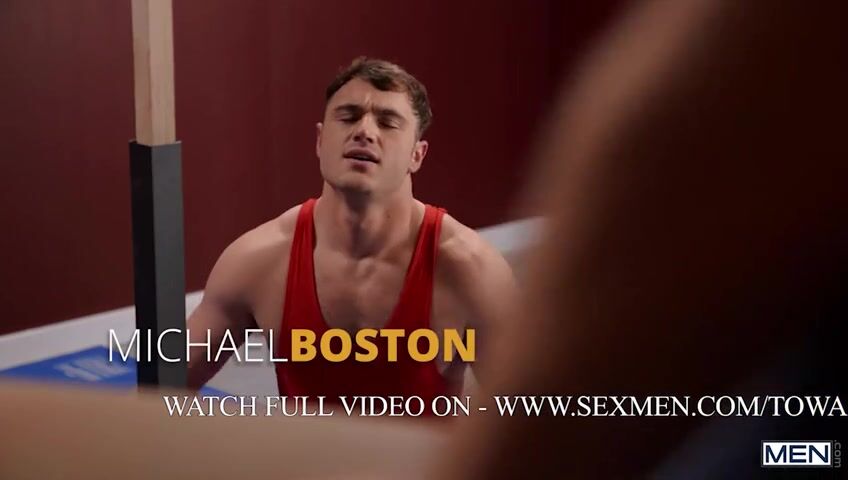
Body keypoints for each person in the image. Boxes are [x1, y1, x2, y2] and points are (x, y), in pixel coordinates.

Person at [185, 57, 517, 402]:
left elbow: (529, 413)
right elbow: (164, 386)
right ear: (320, 140)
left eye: (387, 122)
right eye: (348, 117)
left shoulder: (470, 269)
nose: (364, 131)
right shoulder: (257, 261)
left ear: (416, 156)